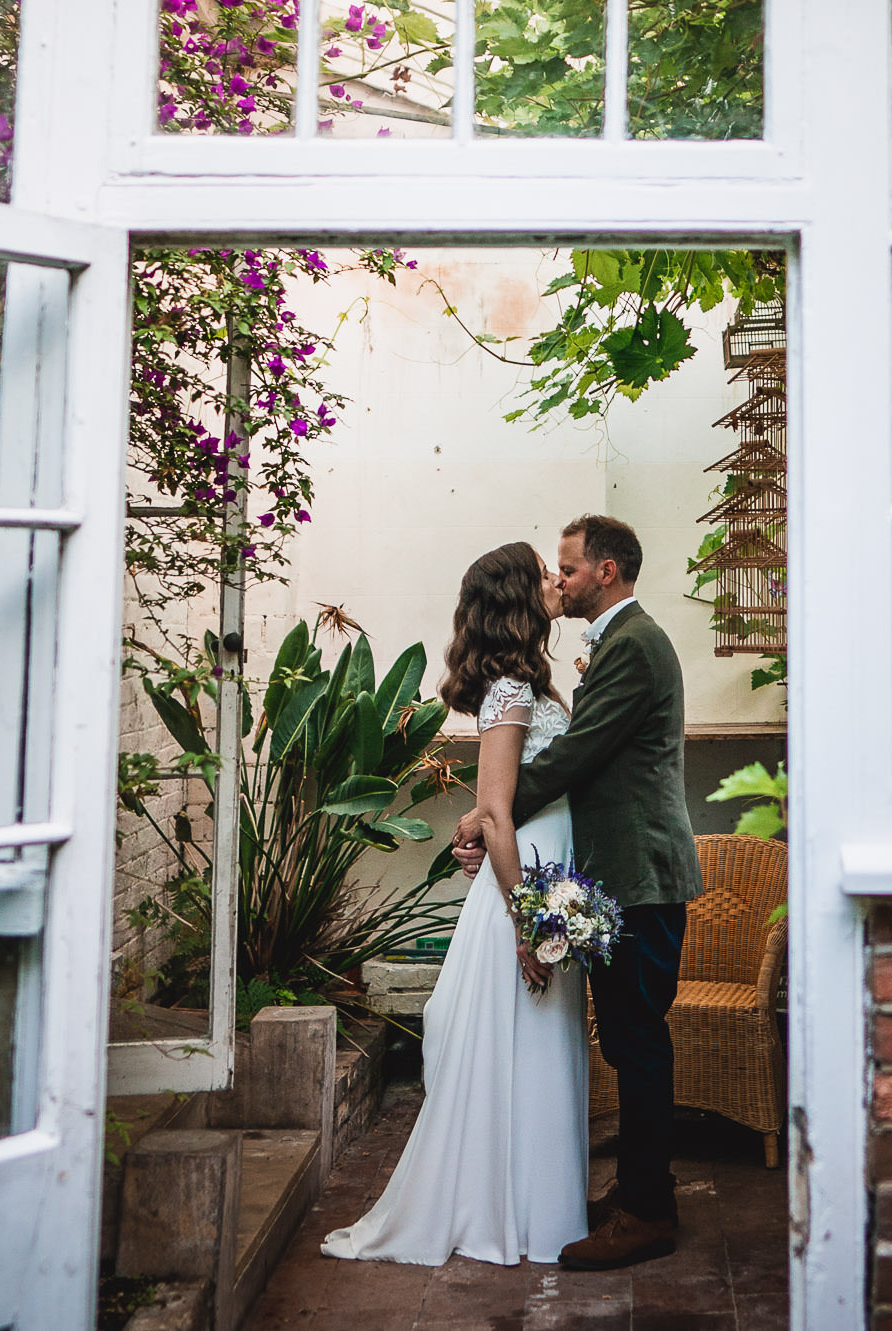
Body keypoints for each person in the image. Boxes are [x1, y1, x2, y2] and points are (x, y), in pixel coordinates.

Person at [319, 541, 589, 1266]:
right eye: (540, 573)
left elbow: (492, 806)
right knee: (523, 1045)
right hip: (525, 892)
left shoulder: (530, 684)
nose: (553, 580)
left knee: (543, 1048)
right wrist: (528, 923)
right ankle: (503, 1208)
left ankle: (539, 1205)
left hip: (541, 878)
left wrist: (475, 831)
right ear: (517, 598)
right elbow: (497, 813)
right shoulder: (507, 690)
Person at [452, 514, 702, 1272]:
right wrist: (489, 816)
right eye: (550, 570)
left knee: (637, 1038)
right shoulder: (618, 644)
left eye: (567, 567)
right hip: (616, 875)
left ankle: (647, 1211)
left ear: (606, 570)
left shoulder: (633, 647)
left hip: (639, 874)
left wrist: (483, 814)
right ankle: (639, 1190)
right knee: (630, 1036)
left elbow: (573, 758)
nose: (557, 580)